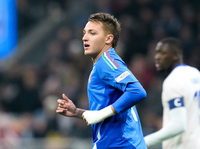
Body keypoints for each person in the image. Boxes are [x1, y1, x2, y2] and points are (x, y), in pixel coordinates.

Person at [56, 12, 147, 149]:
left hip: (119, 145)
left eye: (92, 33)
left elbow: (137, 91)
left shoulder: (106, 61)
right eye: (84, 32)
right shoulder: (102, 64)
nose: (84, 38)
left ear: (108, 39)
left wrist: (100, 114)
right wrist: (77, 112)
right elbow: (108, 113)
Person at [144, 37, 200, 149]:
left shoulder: (173, 80)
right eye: (156, 53)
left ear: (176, 55)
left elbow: (179, 125)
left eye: (163, 53)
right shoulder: (195, 74)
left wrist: (143, 141)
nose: (157, 57)